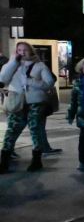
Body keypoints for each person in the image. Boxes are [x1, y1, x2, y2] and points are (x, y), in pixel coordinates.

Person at [0, 41, 56, 173]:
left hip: (35, 102)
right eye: (19, 50)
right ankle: (4, 162)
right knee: (11, 130)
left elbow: (49, 83)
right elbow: (2, 79)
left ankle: (36, 161)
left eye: (25, 50)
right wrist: (13, 62)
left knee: (35, 128)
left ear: (31, 51)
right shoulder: (12, 65)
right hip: (17, 101)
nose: (22, 52)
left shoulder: (40, 65)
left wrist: (30, 81)